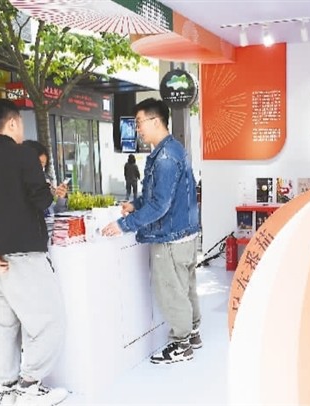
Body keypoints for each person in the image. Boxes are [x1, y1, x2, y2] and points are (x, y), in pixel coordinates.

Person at [0, 99, 68, 405]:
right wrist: (48, 190)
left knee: (5, 324)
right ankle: (29, 385)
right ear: (11, 123)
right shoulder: (23, 155)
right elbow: (41, 201)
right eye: (21, 122)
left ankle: (7, 386)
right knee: (49, 320)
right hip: (23, 257)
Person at [102, 98, 201, 364]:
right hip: (185, 233)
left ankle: (181, 344)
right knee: (185, 287)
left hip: (170, 238)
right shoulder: (173, 149)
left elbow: (160, 205)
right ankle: (192, 334)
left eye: (139, 123)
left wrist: (123, 224)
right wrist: (135, 205)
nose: (137, 130)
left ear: (156, 121)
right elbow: (160, 195)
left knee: (171, 291)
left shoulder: (165, 157)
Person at [22, 139, 68, 214]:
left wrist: (61, 198)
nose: (41, 171)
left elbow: (53, 213)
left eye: (43, 166)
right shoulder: (18, 190)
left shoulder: (41, 188)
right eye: (38, 164)